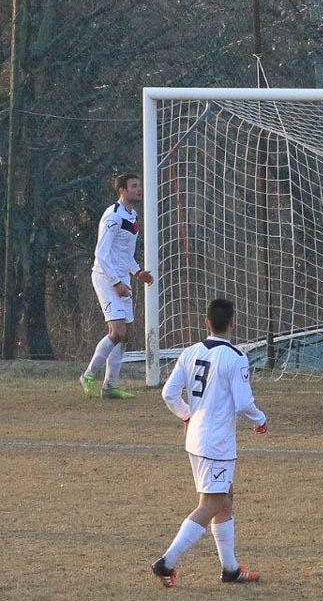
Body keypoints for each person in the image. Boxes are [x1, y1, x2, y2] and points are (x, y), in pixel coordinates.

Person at [152, 298, 267, 588]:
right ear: (233, 323)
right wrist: (260, 419)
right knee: (211, 503)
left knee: (225, 498)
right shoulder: (236, 358)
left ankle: (230, 569)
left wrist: (187, 415)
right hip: (216, 443)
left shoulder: (190, 352)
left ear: (207, 322)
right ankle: (166, 562)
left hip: (196, 438)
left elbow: (169, 393)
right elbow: (244, 403)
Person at [80, 172, 154, 399]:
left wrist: (137, 272)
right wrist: (116, 282)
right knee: (117, 331)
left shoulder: (133, 215)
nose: (139, 189)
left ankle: (109, 386)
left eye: (139, 185)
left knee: (124, 335)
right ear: (122, 190)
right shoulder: (113, 217)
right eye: (134, 186)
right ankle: (88, 375)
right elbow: (101, 254)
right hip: (106, 278)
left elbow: (124, 254)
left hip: (122, 278)